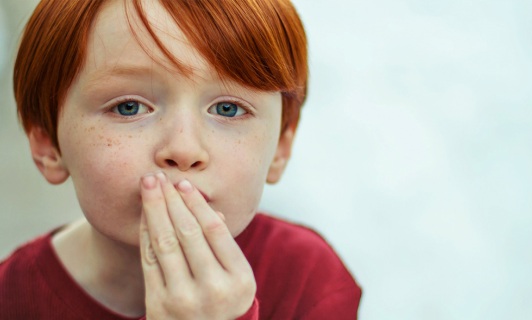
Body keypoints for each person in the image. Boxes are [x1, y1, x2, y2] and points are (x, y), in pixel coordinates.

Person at [0, 0, 362, 319]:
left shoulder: (309, 280)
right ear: (48, 143)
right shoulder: (11, 300)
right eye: (129, 107)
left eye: (228, 108)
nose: (184, 149)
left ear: (282, 146)